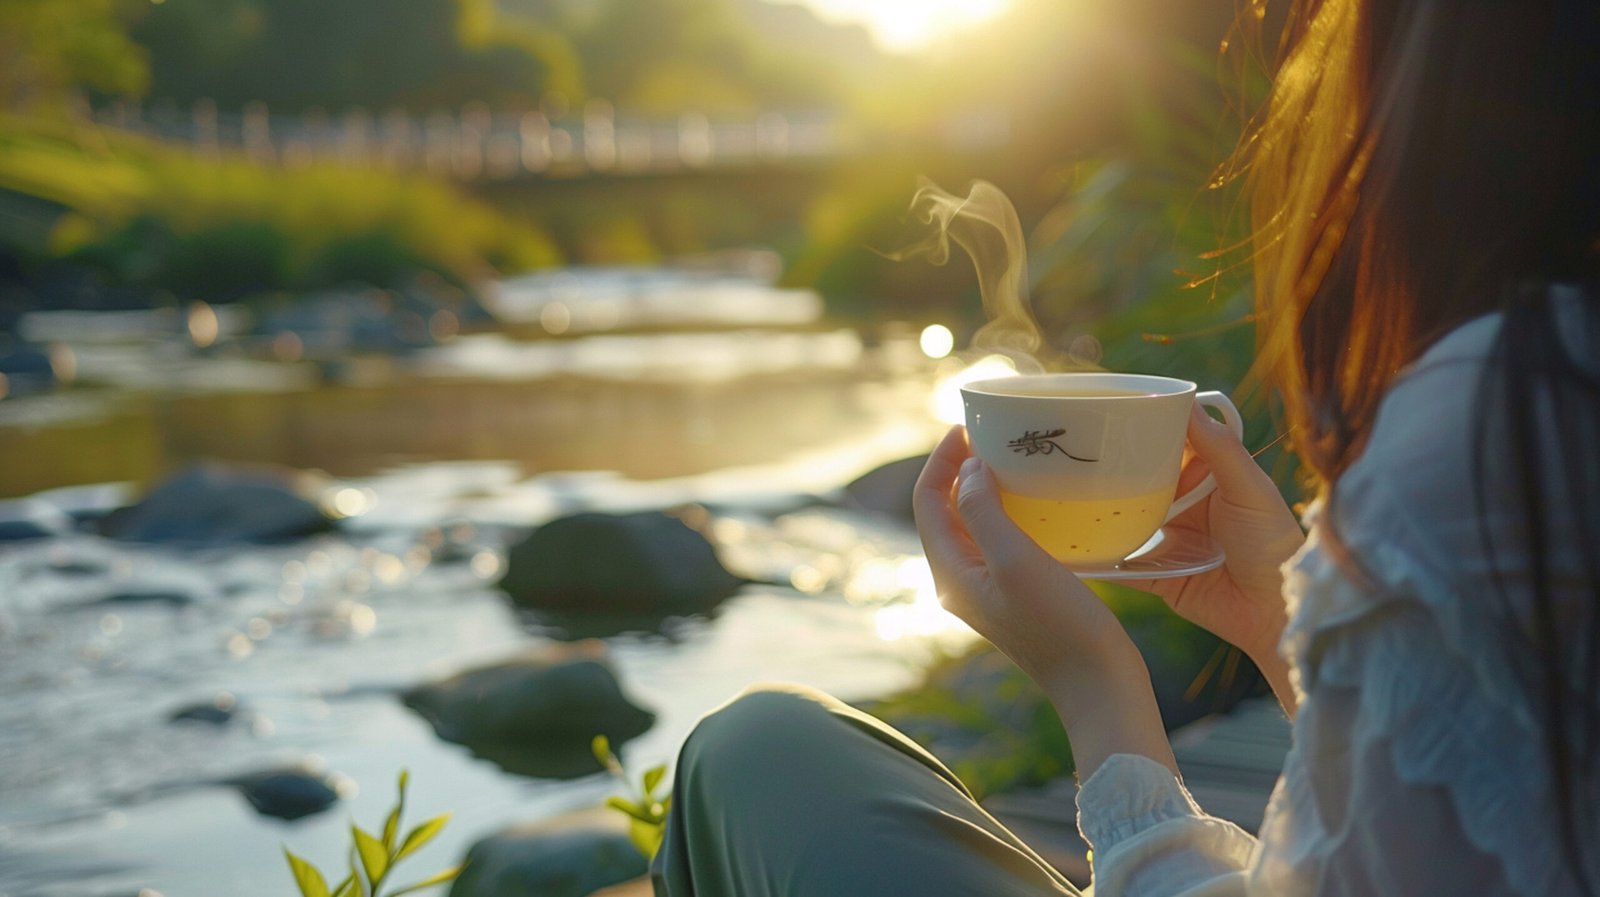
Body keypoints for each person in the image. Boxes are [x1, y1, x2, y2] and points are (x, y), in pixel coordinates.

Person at [649, 0, 1600, 893]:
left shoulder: (1506, 410)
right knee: (765, 742)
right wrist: (1284, 624)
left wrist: (1094, 682)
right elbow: (1469, 814)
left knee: (752, 749)